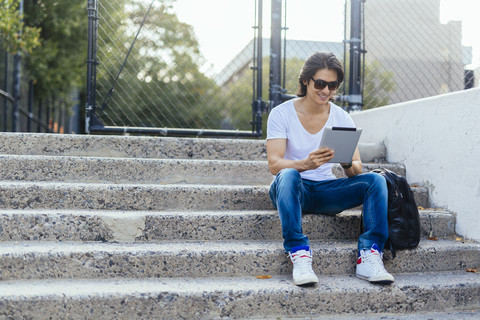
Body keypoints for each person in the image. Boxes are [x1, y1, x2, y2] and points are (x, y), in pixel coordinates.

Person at [266, 51, 394, 286]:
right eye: (320, 83)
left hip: (326, 191)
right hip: (293, 189)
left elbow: (356, 169)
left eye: (332, 85)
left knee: (376, 180)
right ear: (306, 81)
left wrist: (345, 162)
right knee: (288, 173)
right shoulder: (281, 113)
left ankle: (369, 254)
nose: (326, 91)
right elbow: (274, 164)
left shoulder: (341, 117)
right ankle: (299, 253)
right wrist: (305, 164)